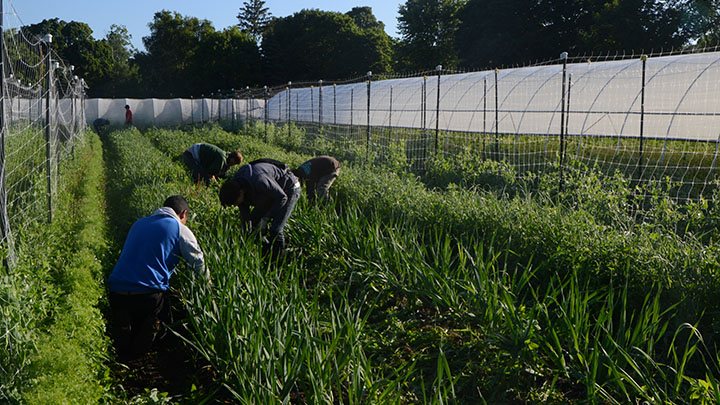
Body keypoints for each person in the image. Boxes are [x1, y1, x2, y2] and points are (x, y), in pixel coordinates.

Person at [107, 195, 207, 358]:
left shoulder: (139, 224)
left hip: (117, 290)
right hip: (149, 295)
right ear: (184, 214)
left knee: (124, 336)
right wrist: (204, 289)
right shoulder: (179, 228)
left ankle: (122, 354)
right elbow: (198, 262)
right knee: (161, 328)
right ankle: (139, 359)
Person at [219, 159, 300, 260]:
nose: (235, 205)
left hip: (288, 189)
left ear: (241, 193)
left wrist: (265, 219)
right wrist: (246, 238)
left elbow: (282, 198)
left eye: (234, 203)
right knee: (254, 225)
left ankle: (278, 261)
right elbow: (246, 219)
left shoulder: (259, 180)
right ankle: (264, 253)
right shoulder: (237, 186)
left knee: (276, 229)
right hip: (268, 194)